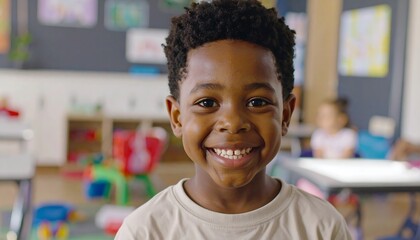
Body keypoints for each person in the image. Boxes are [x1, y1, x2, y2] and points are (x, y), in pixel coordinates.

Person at [116, 1, 352, 239]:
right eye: (207, 103)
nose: (232, 122)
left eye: (257, 102)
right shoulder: (144, 231)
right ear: (177, 117)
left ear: (286, 114)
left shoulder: (322, 227)